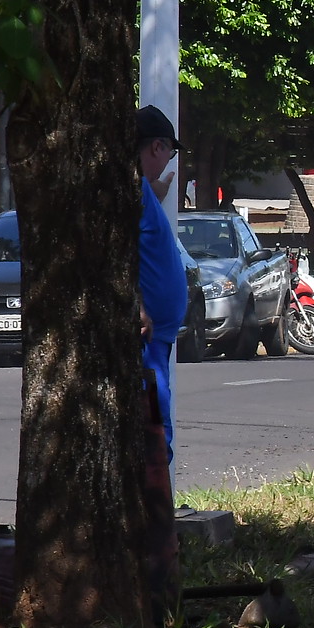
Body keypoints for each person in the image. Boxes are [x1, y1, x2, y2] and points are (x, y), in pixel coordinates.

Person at [136, 106, 189, 457]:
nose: (169, 161)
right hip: (147, 339)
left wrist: (159, 190)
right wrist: (137, 306)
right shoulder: (129, 188)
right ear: (156, 147)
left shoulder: (139, 189)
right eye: (169, 153)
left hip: (157, 338)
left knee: (156, 412)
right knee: (154, 417)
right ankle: (152, 502)